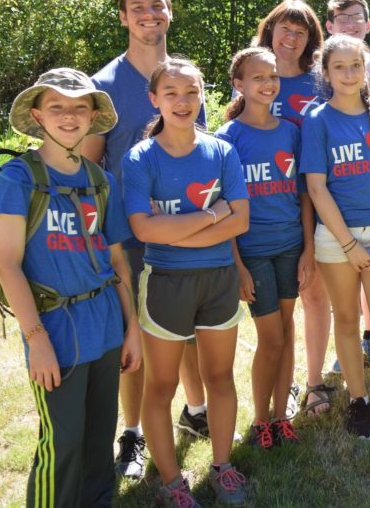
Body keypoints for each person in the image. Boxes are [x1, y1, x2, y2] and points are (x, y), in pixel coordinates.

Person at [0, 68, 141, 507]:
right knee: (63, 444)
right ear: (37, 114)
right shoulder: (19, 179)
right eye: (57, 106)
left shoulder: (100, 180)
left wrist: (131, 327)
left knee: (99, 440)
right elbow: (8, 263)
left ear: (93, 114)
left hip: (106, 325)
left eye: (80, 106)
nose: (69, 116)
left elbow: (117, 261)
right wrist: (35, 339)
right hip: (56, 331)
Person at [83, 0, 209, 480]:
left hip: (187, 230)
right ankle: (131, 434)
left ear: (170, 12)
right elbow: (91, 170)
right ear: (123, 17)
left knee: (189, 330)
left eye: (157, 5)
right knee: (133, 340)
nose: (148, 14)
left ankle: (196, 413)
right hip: (128, 238)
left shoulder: (184, 77)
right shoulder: (103, 86)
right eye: (137, 7)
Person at [122, 59, 250, 507]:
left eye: (191, 92)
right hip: (165, 284)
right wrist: (214, 214)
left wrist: (177, 226)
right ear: (154, 99)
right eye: (171, 93)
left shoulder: (221, 151)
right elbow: (144, 230)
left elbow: (243, 220)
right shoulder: (141, 158)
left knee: (219, 376)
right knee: (160, 387)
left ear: (202, 97)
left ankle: (223, 466)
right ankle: (173, 484)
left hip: (218, 281)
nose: (182, 102)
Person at [301, 35, 370, 437]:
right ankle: (358, 401)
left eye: (356, 65)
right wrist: (347, 244)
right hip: (335, 239)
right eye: (339, 67)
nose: (349, 74)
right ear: (325, 73)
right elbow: (317, 187)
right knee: (346, 320)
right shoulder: (317, 119)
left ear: (367, 69)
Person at [215, 48, 310, 450]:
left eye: (272, 76)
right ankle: (259, 420)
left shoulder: (291, 130)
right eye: (258, 78)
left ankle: (280, 417)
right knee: (270, 338)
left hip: (291, 246)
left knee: (287, 334)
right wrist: (236, 264)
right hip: (253, 251)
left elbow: (304, 195)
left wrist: (307, 250)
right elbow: (223, 209)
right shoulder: (227, 139)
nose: (268, 84)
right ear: (239, 85)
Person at [251, 0, 336, 416]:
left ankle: (315, 381)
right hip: (272, 207)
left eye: (300, 33)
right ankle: (280, 385)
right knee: (281, 304)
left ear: (311, 41)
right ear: (269, 32)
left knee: (315, 294)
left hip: (319, 198)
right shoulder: (253, 79)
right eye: (284, 28)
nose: (290, 38)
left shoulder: (320, 83)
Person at [325, 0, 370, 368]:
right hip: (331, 185)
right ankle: (346, 345)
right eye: (342, 18)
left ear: (368, 24)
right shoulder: (324, 67)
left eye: (357, 17)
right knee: (337, 282)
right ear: (328, 27)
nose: (350, 23)